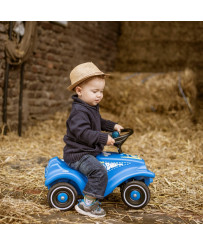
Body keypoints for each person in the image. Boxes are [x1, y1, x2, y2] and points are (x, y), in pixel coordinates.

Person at [63, 62, 123, 218]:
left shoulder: (89, 106)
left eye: (101, 91)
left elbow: (98, 122)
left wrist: (112, 126)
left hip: (87, 151)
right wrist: (103, 138)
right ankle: (87, 204)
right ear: (79, 91)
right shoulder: (79, 112)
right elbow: (83, 133)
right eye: (95, 91)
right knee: (99, 171)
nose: (99, 95)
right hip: (78, 154)